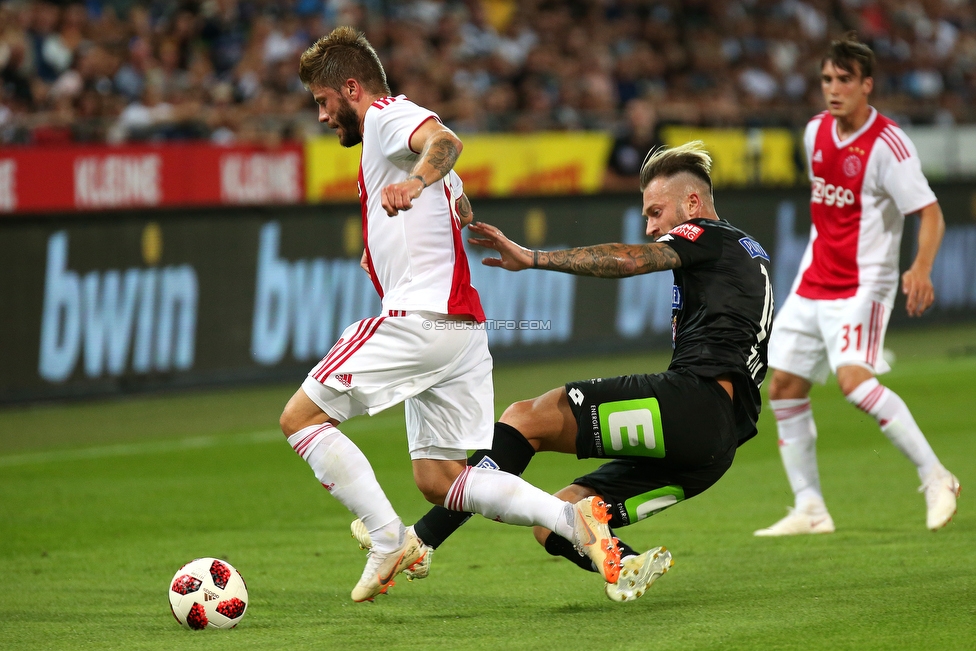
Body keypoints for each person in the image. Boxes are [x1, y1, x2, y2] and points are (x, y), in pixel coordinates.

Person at [280, 26, 621, 603]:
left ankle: (390, 538)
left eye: (323, 101)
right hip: (461, 333)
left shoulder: (387, 115)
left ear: (353, 87)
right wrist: (447, 208)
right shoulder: (387, 141)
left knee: (300, 418)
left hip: (422, 317)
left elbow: (446, 142)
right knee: (441, 481)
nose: (321, 116)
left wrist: (414, 182)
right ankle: (575, 522)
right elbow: (456, 191)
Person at [354, 141, 775, 602]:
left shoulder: (707, 236)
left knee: (527, 417)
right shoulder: (747, 251)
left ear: (692, 203)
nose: (651, 226)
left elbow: (632, 259)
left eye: (656, 212)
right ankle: (625, 562)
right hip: (716, 448)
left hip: (696, 404)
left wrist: (534, 258)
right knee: (557, 518)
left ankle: (420, 540)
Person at [754, 35, 959, 537]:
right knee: (782, 387)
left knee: (854, 383)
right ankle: (810, 508)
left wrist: (921, 267)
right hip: (812, 280)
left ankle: (936, 476)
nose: (833, 89)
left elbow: (929, 213)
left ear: (867, 84)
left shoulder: (889, 145)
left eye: (844, 79)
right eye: (827, 79)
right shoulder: (814, 133)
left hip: (863, 285)